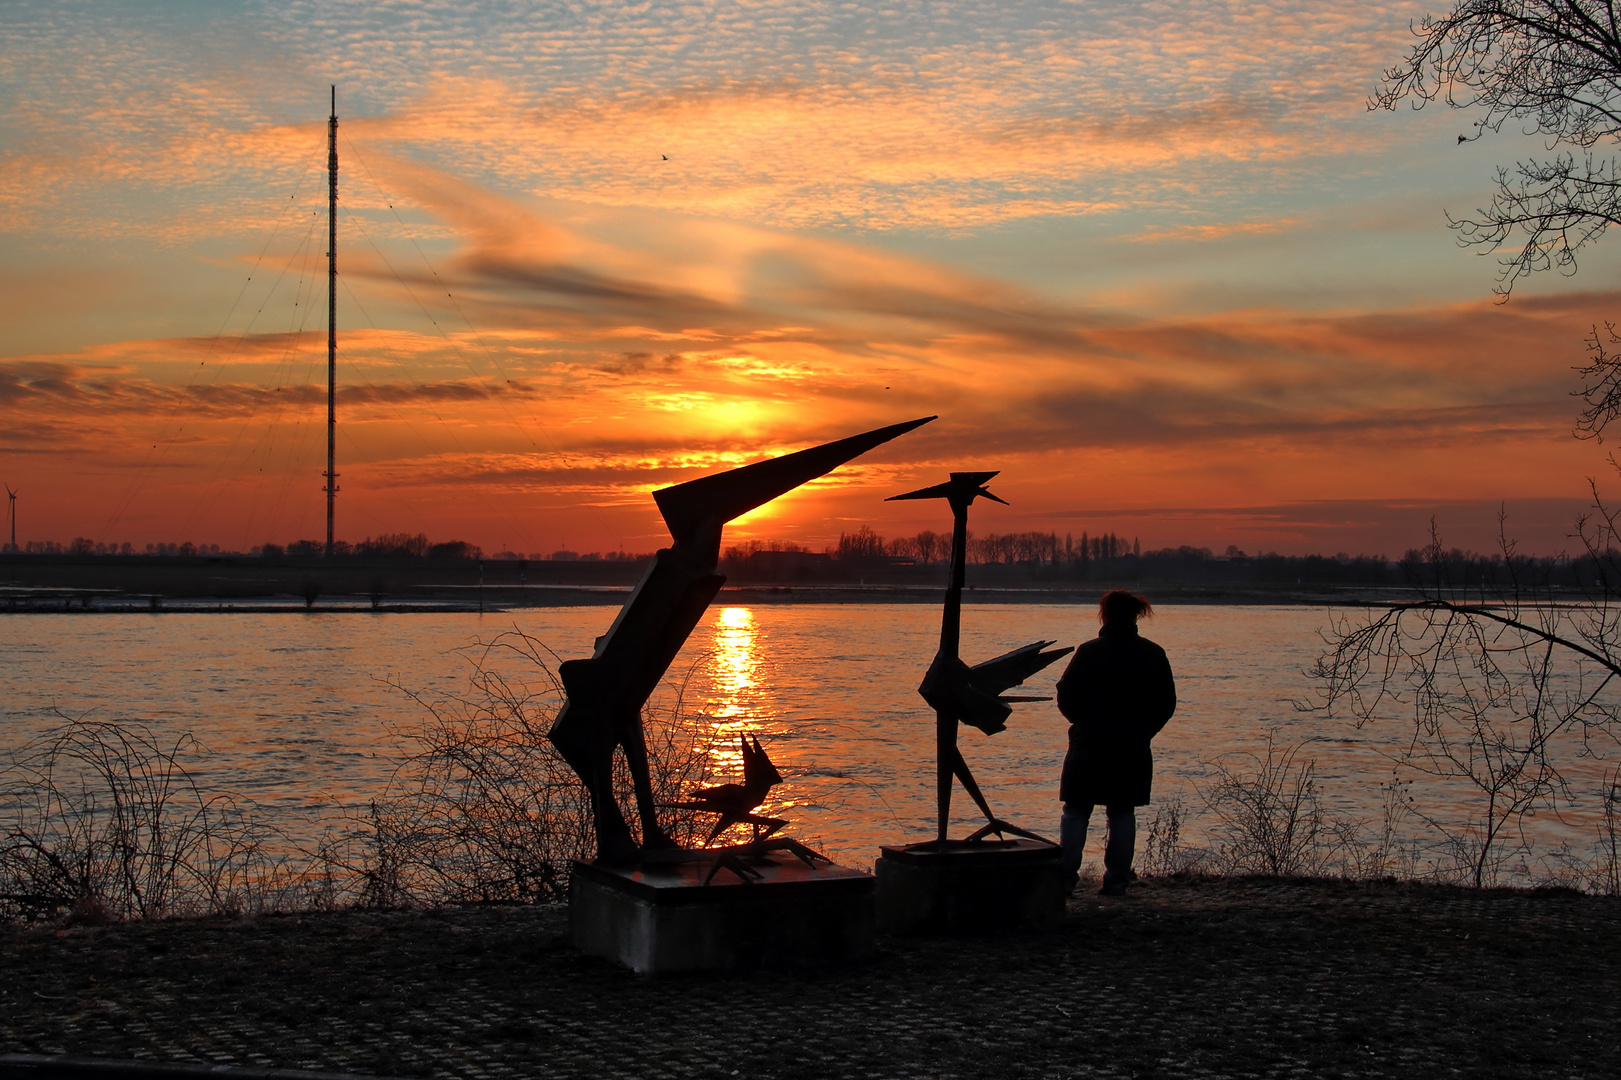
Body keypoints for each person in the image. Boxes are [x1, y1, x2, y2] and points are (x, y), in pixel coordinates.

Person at [1056, 589, 1176, 896]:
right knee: (1122, 812)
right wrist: (1144, 731)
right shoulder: (1153, 654)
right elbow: (1166, 704)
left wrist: (1081, 724)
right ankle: (1117, 882)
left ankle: (1064, 880)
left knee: (1076, 811)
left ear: (1105, 615)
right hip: (1132, 745)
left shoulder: (1089, 651)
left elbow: (1066, 695)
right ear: (1136, 615)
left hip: (1089, 743)